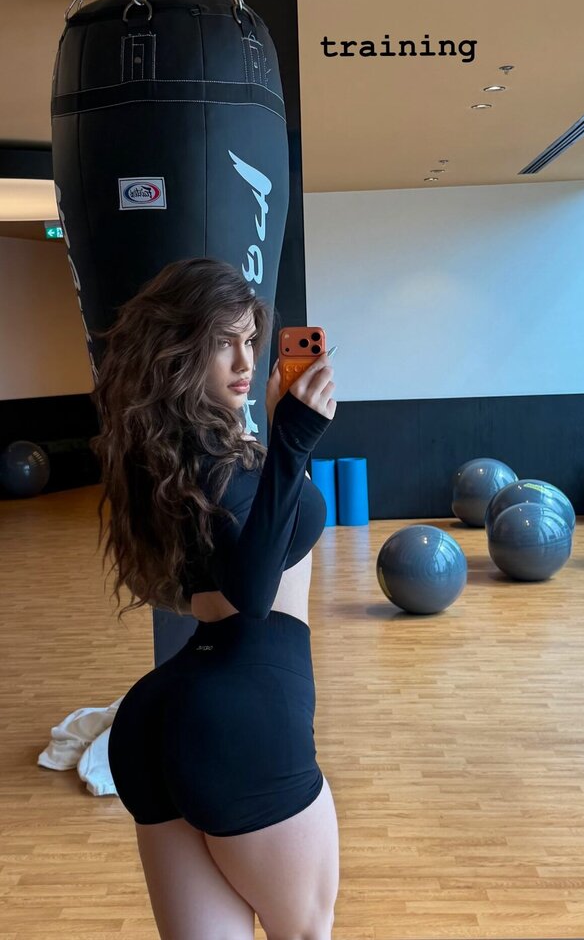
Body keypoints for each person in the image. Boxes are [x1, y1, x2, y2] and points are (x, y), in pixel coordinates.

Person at [91, 257, 340, 940]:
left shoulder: (168, 454)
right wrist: (290, 443)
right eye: (221, 342)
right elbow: (252, 593)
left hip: (159, 718)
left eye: (250, 340)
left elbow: (242, 547)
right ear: (179, 349)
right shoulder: (223, 460)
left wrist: (280, 442)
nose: (245, 361)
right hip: (243, 716)